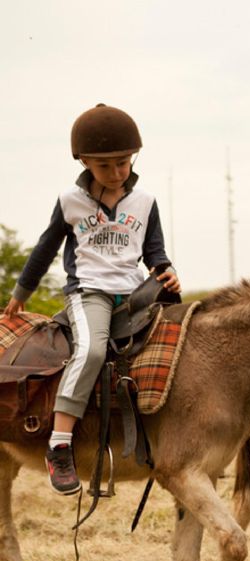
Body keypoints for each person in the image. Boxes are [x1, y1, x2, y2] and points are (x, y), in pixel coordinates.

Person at [2, 104, 179, 496]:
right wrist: (20, 295)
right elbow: (44, 251)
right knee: (93, 351)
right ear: (83, 161)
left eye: (123, 163)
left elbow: (155, 253)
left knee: (185, 346)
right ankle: (60, 444)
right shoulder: (70, 201)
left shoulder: (146, 201)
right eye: (105, 166)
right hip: (90, 291)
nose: (117, 173)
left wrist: (166, 270)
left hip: (136, 293)